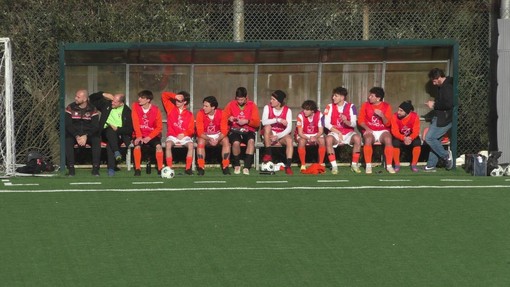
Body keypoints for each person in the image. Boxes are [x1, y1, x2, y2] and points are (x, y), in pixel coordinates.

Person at [89, 91, 133, 176]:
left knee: (110, 144)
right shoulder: (107, 105)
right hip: (104, 133)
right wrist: (103, 94)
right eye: (112, 100)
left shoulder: (127, 111)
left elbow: (129, 129)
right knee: (109, 130)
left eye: (115, 102)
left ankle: (111, 168)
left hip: (119, 135)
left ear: (121, 103)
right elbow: (90, 99)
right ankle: (115, 155)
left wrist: (118, 129)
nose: (112, 102)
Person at [221, 87, 261, 175]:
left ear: (246, 97)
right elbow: (223, 116)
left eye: (242, 99)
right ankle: (237, 164)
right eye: (238, 99)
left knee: (251, 141)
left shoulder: (252, 105)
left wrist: (247, 121)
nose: (240, 101)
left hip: (248, 130)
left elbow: (257, 122)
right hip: (235, 130)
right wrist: (229, 118)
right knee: (235, 143)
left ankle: (246, 166)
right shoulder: (231, 104)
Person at [323, 87, 362, 174]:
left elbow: (354, 123)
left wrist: (346, 121)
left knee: (357, 138)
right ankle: (334, 166)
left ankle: (354, 164)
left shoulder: (351, 106)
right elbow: (326, 123)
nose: (333, 97)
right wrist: (338, 132)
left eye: (336, 96)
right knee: (328, 139)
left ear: (342, 97)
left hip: (348, 133)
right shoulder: (329, 106)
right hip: (335, 133)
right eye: (333, 95)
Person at [358, 87, 395, 174]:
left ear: (378, 98)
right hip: (370, 129)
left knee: (388, 139)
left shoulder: (386, 106)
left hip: (382, 130)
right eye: (369, 95)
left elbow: (388, 124)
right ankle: (368, 166)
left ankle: (389, 166)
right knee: (368, 139)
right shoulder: (365, 105)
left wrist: (382, 115)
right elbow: (360, 120)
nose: (369, 97)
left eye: (372, 96)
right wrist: (367, 128)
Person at [64, 89, 101, 176]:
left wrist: (86, 135)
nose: (75, 98)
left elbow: (95, 126)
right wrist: (77, 136)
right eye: (76, 96)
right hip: (74, 134)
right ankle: (71, 169)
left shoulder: (93, 109)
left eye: (78, 97)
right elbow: (68, 125)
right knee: (68, 141)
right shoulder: (70, 107)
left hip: (88, 135)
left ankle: (95, 168)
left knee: (96, 140)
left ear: (84, 99)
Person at [423, 68, 454, 172]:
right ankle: (431, 165)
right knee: (435, 140)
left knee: (429, 138)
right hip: (440, 116)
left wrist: (434, 105)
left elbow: (449, 104)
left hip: (444, 118)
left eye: (434, 80)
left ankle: (446, 156)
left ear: (439, 77)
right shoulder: (443, 86)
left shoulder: (447, 87)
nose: (434, 83)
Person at [161, 90, 195, 175]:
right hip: (172, 135)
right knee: (168, 144)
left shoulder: (189, 114)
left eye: (180, 100)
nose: (177, 102)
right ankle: (169, 168)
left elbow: (191, 130)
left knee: (191, 145)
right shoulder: (170, 108)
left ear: (185, 102)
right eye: (176, 100)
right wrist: (175, 96)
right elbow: (164, 95)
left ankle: (188, 168)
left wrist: (184, 134)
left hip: (184, 136)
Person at [195, 96, 231, 175]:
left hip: (218, 135)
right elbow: (200, 132)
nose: (203, 108)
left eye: (206, 106)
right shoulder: (200, 113)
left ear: (213, 107)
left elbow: (224, 131)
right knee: (200, 141)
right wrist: (209, 139)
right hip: (205, 135)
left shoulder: (222, 113)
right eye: (203, 105)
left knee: (226, 140)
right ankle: (201, 167)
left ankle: (225, 166)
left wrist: (217, 139)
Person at [131, 90, 164, 176]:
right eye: (139, 97)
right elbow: (135, 123)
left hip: (152, 135)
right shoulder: (135, 106)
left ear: (148, 100)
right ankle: (138, 169)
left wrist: (149, 137)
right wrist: (138, 136)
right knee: (137, 147)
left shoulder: (156, 110)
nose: (139, 99)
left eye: (142, 98)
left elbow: (159, 127)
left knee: (159, 147)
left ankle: (160, 169)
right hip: (139, 134)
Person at [261, 90, 294, 175]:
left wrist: (278, 136)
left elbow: (289, 128)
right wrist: (278, 119)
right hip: (269, 135)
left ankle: (288, 166)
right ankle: (268, 155)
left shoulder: (288, 110)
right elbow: (264, 122)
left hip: (281, 135)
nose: (270, 101)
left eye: (273, 99)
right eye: (271, 99)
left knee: (289, 140)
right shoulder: (267, 107)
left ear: (279, 101)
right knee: (267, 127)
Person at [390, 101, 421, 172]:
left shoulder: (415, 116)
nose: (398, 112)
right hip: (400, 136)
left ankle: (414, 164)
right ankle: (397, 164)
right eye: (398, 110)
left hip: (410, 137)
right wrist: (403, 138)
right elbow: (394, 131)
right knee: (395, 143)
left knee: (417, 142)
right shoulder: (394, 117)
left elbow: (416, 131)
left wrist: (410, 138)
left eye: (401, 111)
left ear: (407, 112)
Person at [295, 100, 326, 171]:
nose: (304, 111)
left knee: (322, 141)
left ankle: (320, 163)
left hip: (315, 134)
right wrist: (309, 138)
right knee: (302, 142)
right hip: (304, 134)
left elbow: (321, 131)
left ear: (312, 111)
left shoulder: (320, 115)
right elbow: (300, 133)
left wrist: (315, 137)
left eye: (307, 110)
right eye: (304, 109)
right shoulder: (300, 116)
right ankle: (303, 164)